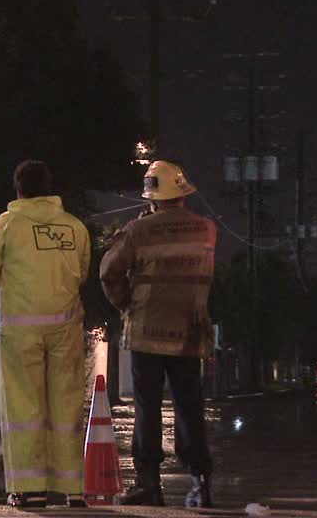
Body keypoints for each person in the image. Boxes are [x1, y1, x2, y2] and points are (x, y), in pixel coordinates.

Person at [0, 160, 90, 508]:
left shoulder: (8, 224)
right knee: (67, 403)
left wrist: (3, 286)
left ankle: (29, 487)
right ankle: (73, 489)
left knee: (23, 405)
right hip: (66, 327)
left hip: (20, 329)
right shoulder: (74, 227)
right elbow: (81, 273)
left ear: (18, 189)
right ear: (50, 187)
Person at [99, 160, 217, 508]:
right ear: (182, 192)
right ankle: (201, 482)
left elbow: (108, 272)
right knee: (189, 406)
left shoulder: (140, 231)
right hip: (190, 333)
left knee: (147, 408)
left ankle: (149, 484)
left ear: (151, 197)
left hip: (146, 333)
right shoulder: (206, 229)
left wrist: (126, 305)